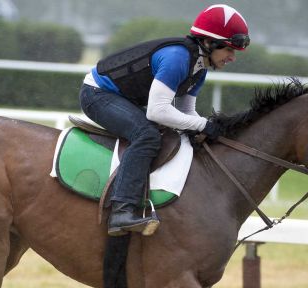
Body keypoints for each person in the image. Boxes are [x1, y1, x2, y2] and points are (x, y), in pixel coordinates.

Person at [79, 4, 250, 237]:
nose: (232, 57)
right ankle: (122, 210)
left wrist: (210, 129)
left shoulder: (200, 68)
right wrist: (203, 125)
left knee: (177, 133)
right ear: (209, 43)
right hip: (97, 95)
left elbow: (186, 112)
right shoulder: (177, 58)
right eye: (229, 50)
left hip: (122, 98)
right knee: (147, 135)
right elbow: (158, 112)